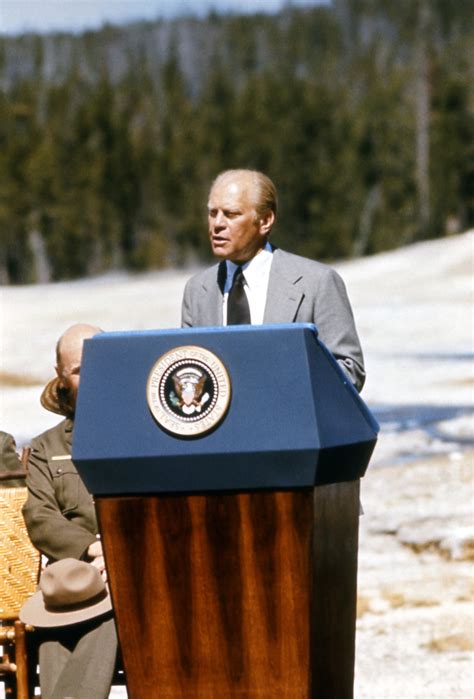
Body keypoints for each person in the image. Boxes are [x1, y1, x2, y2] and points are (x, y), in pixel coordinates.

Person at [181, 169, 365, 391]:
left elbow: (350, 371)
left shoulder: (317, 282)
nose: (217, 224)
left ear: (265, 220)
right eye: (212, 213)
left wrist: (279, 386)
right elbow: (188, 370)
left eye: (231, 214)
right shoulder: (197, 290)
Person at [22, 323, 118, 699]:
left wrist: (119, 551)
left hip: (133, 571)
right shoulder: (48, 447)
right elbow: (41, 517)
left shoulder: (147, 433)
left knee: (111, 605)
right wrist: (92, 550)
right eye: (79, 370)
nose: (91, 376)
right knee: (57, 612)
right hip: (77, 571)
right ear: (61, 377)